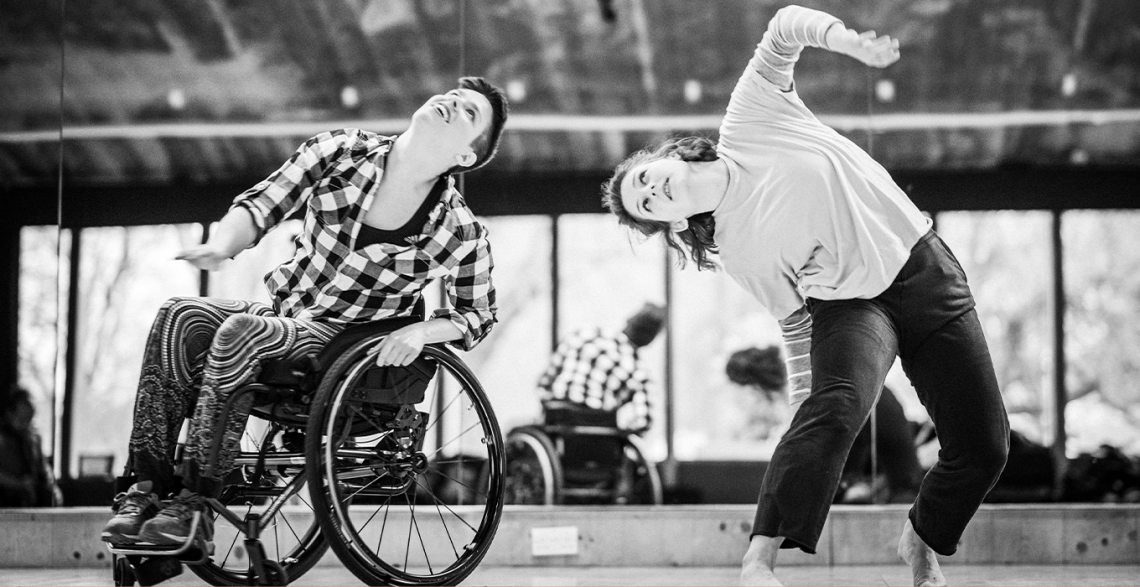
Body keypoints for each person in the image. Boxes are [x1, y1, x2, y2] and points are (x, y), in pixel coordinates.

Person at [602, 6, 1008, 586]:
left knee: (985, 446)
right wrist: (803, 412)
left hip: (925, 270)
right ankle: (759, 559)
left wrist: (844, 41)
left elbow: (785, 24)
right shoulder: (740, 254)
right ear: (670, 224)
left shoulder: (748, 119)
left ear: (667, 157)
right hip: (852, 307)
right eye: (646, 206)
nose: (650, 191)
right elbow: (796, 327)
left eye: (643, 177)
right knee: (834, 407)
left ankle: (922, 536)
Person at [101, 77, 509, 549]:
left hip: (343, 344)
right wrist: (220, 246)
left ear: (466, 157)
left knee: (243, 333)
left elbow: (477, 314)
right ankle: (145, 492)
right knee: (180, 316)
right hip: (285, 315)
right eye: (454, 97)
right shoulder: (340, 151)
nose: (452, 102)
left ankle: (196, 507)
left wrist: (422, 331)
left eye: (469, 113)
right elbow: (263, 204)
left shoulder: (459, 230)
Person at [726, 346, 923, 505]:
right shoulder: (817, 387)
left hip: (898, 497)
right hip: (887, 486)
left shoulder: (819, 397)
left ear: (756, 391)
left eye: (744, 402)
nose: (749, 415)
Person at [536, 302, 665, 435]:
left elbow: (545, 382)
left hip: (556, 421)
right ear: (651, 339)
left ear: (628, 321)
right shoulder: (639, 371)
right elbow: (643, 421)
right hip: (598, 430)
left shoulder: (581, 335)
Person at [0, 385, 60, 507]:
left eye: (28, 420)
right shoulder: (2, 438)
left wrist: (52, 486)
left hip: (32, 502)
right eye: (21, 420)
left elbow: (43, 467)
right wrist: (18, 483)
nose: (25, 426)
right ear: (10, 414)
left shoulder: (33, 438)